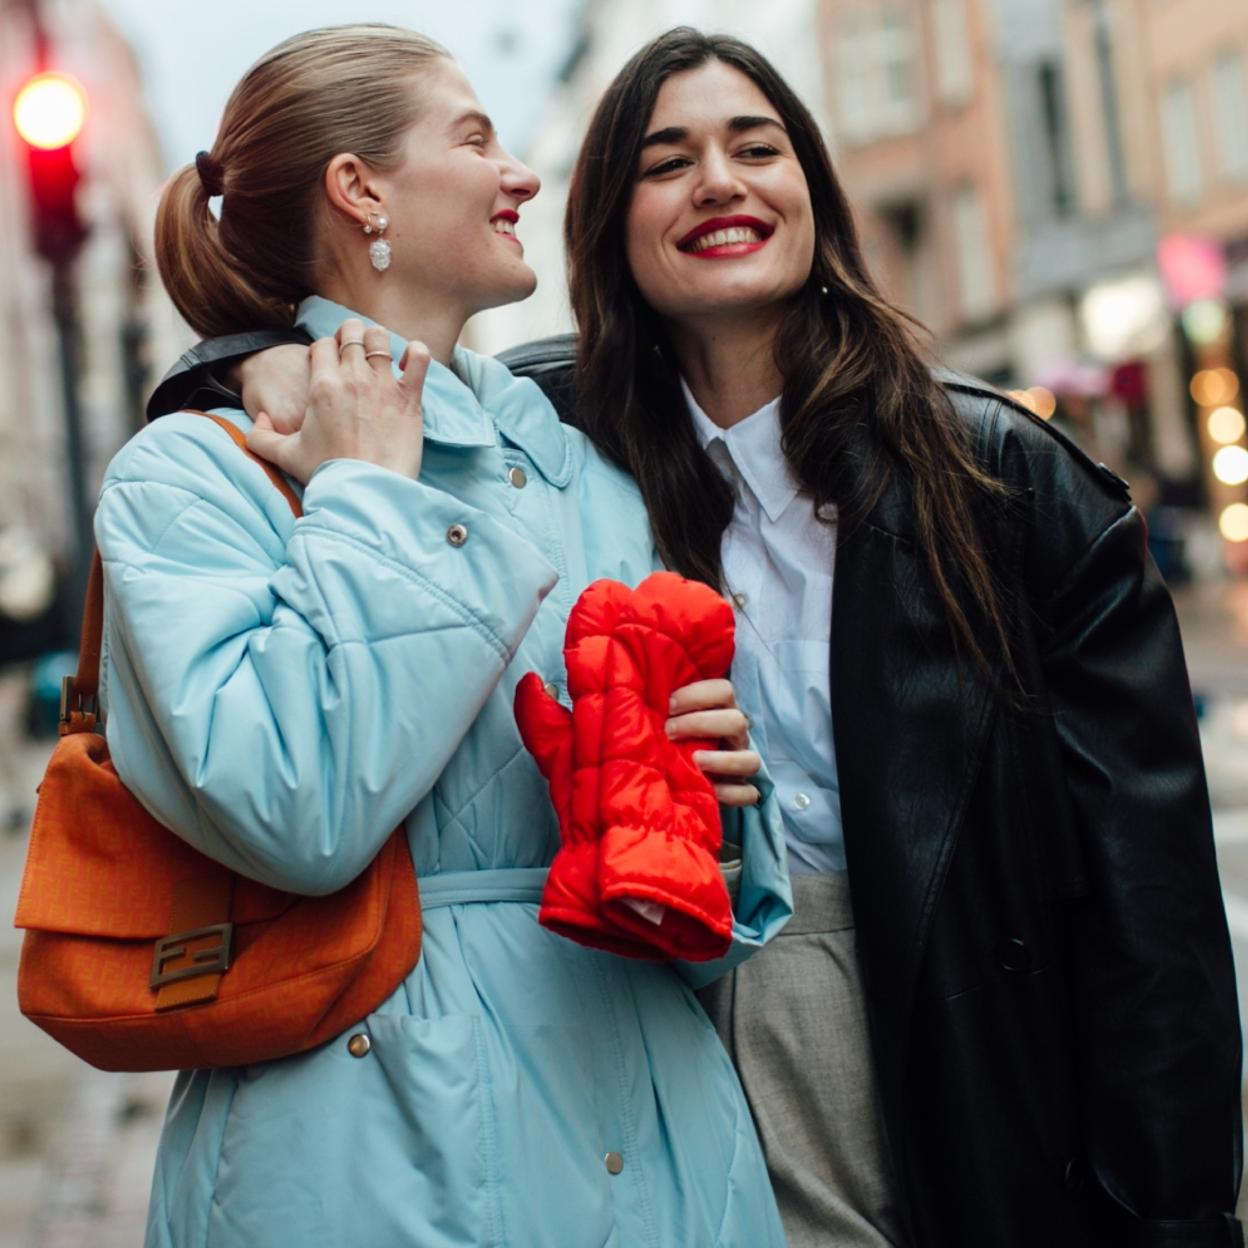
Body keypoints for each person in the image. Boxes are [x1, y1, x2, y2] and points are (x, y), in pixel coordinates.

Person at [146, 25, 1245, 1248]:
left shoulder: (999, 480)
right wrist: (260, 378)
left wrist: (1176, 1213)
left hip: (934, 1049)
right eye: (667, 161)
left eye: (759, 147)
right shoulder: (551, 445)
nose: (721, 182)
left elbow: (1155, 915)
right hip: (591, 1065)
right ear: (611, 222)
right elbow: (300, 758)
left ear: (815, 193)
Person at [99, 24, 792, 1248]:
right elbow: (293, 808)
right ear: (360, 189)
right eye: (475, 139)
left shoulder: (582, 469)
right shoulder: (195, 476)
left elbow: (689, 914)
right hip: (375, 1148)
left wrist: (706, 810)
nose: (523, 173)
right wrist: (373, 499)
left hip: (661, 1141)